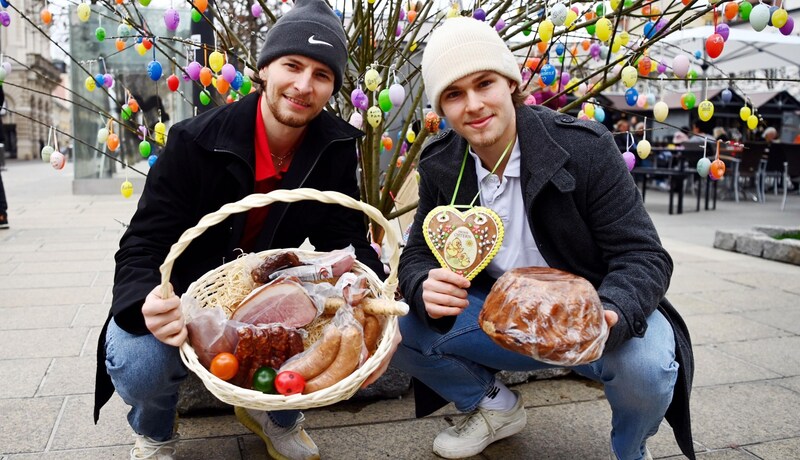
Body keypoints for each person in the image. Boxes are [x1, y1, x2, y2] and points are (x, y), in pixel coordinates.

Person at [94, 1, 397, 459]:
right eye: (292, 65)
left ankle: (270, 413)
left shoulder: (333, 146)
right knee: (140, 364)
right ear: (264, 68)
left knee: (309, 321)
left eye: (322, 74)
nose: (303, 85)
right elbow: (144, 243)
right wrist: (145, 301)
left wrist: (380, 306)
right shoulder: (194, 141)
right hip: (188, 298)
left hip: (276, 291)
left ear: (333, 86)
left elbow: (346, 237)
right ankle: (155, 430)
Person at [392, 17, 694, 460]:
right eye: (454, 94)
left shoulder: (584, 148)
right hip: (501, 320)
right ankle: (493, 406)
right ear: (442, 106)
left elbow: (643, 255)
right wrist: (421, 284)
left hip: (590, 323)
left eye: (484, 83)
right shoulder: (443, 162)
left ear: (510, 81)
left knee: (646, 369)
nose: (473, 104)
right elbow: (419, 250)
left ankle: (631, 449)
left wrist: (610, 312)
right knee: (391, 327)